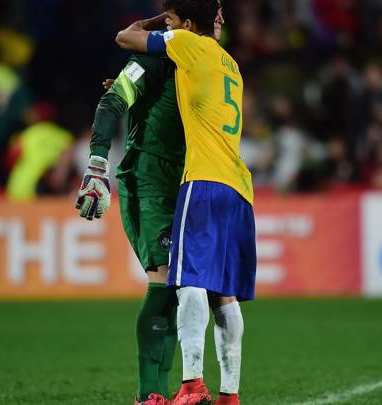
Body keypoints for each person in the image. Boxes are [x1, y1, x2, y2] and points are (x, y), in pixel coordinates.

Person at [75, 4, 226, 404]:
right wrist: (96, 167)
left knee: (181, 289)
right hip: (148, 180)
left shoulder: (211, 66)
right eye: (215, 15)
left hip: (187, 184)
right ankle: (151, 395)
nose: (222, 21)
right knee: (165, 280)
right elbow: (113, 102)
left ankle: (167, 391)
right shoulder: (153, 60)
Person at [116, 1, 256, 404]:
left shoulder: (187, 44)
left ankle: (192, 385)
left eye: (175, 19)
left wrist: (159, 22)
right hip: (239, 187)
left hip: (204, 179)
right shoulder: (231, 64)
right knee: (224, 294)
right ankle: (231, 395)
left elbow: (125, 37)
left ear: (186, 24)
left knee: (189, 279)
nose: (170, 25)